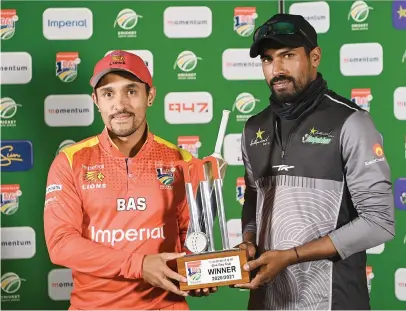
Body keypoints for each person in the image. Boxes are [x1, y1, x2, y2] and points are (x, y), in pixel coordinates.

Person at [234, 13, 395, 310]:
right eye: (268, 60)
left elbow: (379, 222)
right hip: (268, 300)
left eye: (288, 56)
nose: (277, 69)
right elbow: (254, 203)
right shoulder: (252, 128)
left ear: (315, 57)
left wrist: (291, 256)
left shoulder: (351, 122)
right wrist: (248, 241)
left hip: (334, 300)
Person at [43, 50, 215, 310]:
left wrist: (197, 274)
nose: (119, 104)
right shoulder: (70, 161)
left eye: (131, 91)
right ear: (96, 100)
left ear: (151, 96)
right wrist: (140, 265)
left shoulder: (181, 160)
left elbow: (193, 240)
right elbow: (61, 244)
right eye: (108, 93)